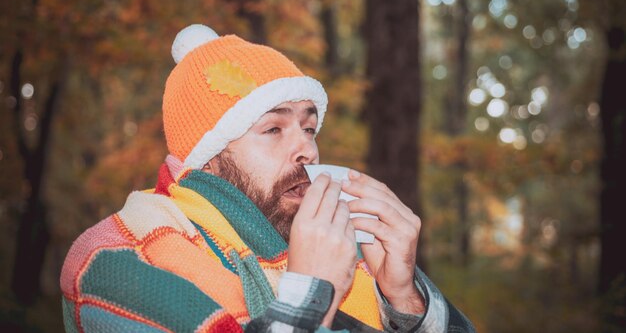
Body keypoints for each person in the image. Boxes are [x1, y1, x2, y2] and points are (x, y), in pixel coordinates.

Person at [60, 24, 475, 332]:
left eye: (309, 128)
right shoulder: (120, 257)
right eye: (274, 129)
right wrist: (311, 294)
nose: (309, 150)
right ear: (208, 158)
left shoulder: (344, 255)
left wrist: (404, 300)